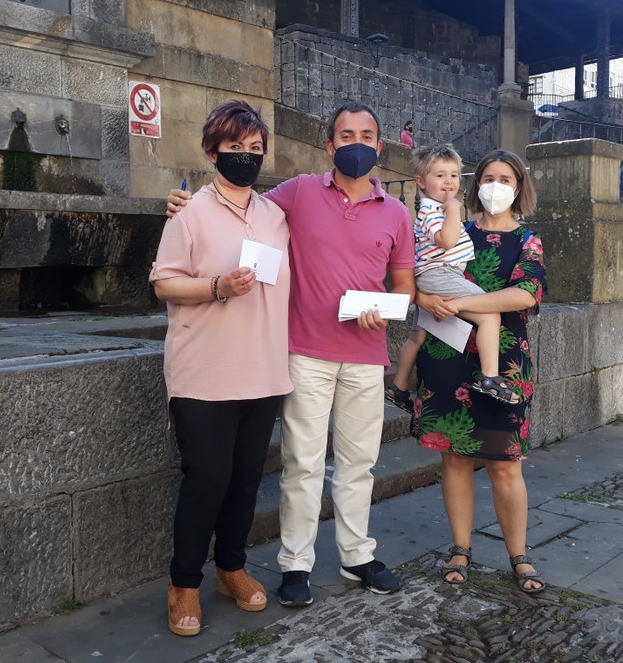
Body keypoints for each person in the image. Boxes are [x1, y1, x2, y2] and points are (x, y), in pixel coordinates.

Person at [168, 101, 416, 607]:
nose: (356, 144)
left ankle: (357, 555)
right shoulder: (299, 193)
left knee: (359, 463)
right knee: (302, 464)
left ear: (380, 146)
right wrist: (183, 204)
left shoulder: (395, 212)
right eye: (346, 135)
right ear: (329, 145)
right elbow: (238, 203)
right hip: (305, 352)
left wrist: (388, 313)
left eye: (366, 135)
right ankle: (295, 564)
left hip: (366, 353)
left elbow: (404, 285)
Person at [151, 99, 292, 636]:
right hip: (203, 372)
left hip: (261, 369)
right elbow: (164, 282)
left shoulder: (275, 215)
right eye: (236, 148)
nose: (247, 157)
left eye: (256, 149)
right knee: (206, 477)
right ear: (214, 151)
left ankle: (231, 567)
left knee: (244, 480)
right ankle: (183, 582)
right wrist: (216, 287)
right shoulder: (188, 213)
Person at [412, 149, 547, 594]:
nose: (496, 185)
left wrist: (462, 303)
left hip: (503, 364)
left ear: (519, 187)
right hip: (448, 356)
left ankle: (519, 554)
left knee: (505, 464)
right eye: (488, 177)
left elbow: (525, 294)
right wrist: (421, 297)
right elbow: (420, 273)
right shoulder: (454, 232)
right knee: (455, 457)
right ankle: (460, 548)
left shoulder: (527, 240)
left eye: (505, 178)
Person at [385, 144, 520, 415]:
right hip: (440, 272)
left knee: (417, 335)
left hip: (432, 274)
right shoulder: (433, 211)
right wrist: (455, 211)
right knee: (490, 315)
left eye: (454, 175)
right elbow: (445, 241)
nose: (449, 182)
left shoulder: (435, 210)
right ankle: (490, 376)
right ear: (421, 182)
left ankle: (397, 387)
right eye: (440, 175)